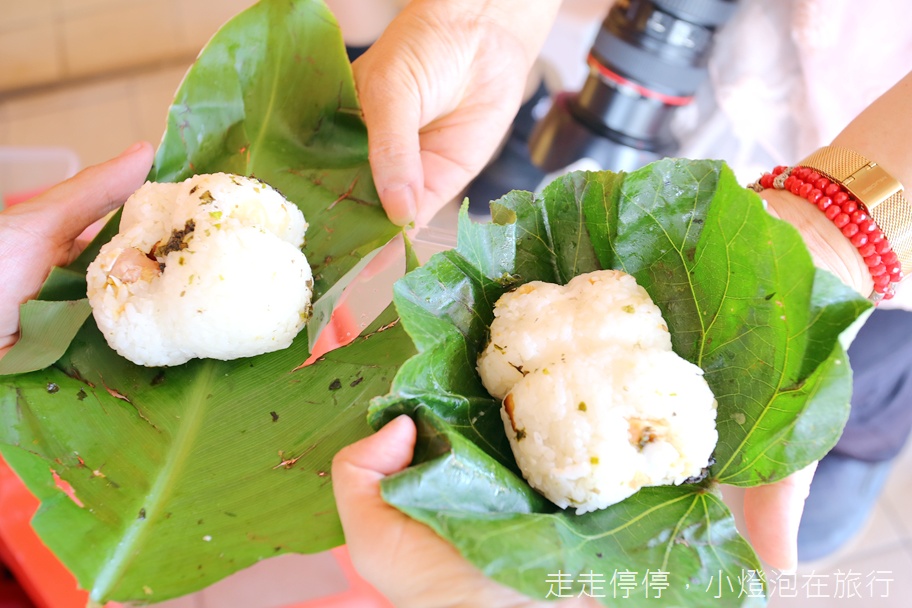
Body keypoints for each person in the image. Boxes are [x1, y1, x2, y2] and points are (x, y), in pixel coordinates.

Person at [332, 0, 912, 604]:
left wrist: (835, 233)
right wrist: (486, 17)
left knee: (847, 440)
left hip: (892, 239)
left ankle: (836, 511)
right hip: (724, 100)